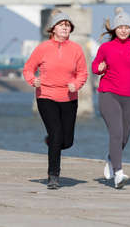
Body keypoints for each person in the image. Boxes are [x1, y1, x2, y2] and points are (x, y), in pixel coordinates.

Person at [23, 10, 88, 190]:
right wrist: (32, 80)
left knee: (67, 141)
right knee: (57, 134)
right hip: (46, 96)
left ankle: (51, 141)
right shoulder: (43, 48)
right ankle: (53, 176)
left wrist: (76, 84)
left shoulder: (76, 49)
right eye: (62, 25)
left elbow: (83, 72)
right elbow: (28, 68)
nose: (65, 28)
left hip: (69, 98)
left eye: (68, 25)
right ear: (53, 29)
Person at [92, 7, 130, 189]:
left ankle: (111, 159)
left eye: (127, 27)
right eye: (120, 27)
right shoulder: (106, 47)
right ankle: (118, 173)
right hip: (109, 94)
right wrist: (100, 68)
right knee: (116, 133)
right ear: (114, 29)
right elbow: (95, 66)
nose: (123, 30)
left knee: (124, 137)